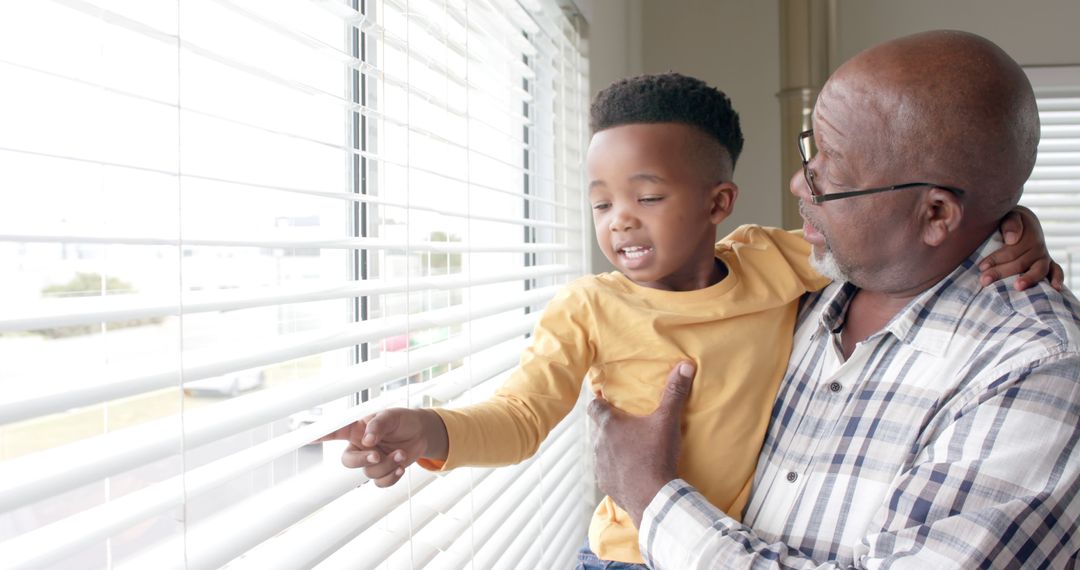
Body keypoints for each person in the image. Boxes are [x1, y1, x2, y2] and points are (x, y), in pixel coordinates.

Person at [322, 72, 1055, 567]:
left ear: (718, 203)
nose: (620, 223)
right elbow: (520, 417)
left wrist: (1010, 224)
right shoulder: (589, 308)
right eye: (602, 201)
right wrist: (430, 428)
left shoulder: (773, 263)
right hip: (627, 557)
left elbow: (900, 231)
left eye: (647, 195)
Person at [588, 30, 1080, 569]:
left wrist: (650, 494)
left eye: (832, 173)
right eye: (812, 149)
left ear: (936, 214)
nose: (800, 182)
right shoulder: (808, 282)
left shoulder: (1036, 371)